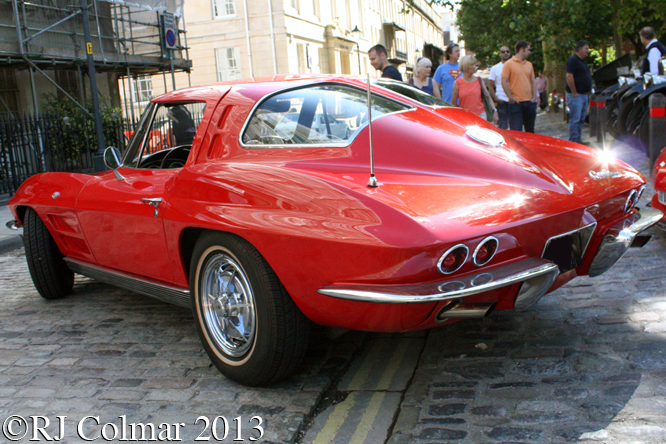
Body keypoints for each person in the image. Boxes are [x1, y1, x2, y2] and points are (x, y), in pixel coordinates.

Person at [501, 40, 537, 132]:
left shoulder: (529, 64)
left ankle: (530, 147)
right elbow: (504, 81)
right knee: (516, 131)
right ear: (522, 49)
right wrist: (510, 97)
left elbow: (533, 81)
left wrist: (534, 98)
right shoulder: (508, 64)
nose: (529, 52)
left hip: (529, 102)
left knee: (530, 131)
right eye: (528, 50)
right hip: (516, 103)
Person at [451, 55, 498, 123]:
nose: (474, 67)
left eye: (475, 65)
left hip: (481, 115)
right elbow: (453, 103)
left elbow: (488, 97)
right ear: (465, 66)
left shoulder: (479, 80)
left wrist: (495, 111)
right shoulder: (457, 83)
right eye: (472, 65)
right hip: (465, 117)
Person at [565, 40, 592, 144]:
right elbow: (569, 76)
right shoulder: (573, 60)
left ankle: (578, 139)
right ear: (579, 49)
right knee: (575, 119)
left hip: (583, 94)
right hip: (576, 95)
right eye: (586, 48)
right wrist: (574, 92)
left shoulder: (582, 61)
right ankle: (573, 141)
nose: (587, 51)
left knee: (581, 119)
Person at [488, 45, 511, 129]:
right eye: (503, 52)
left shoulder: (515, 66)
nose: (505, 53)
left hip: (514, 99)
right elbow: (490, 86)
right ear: (500, 54)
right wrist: (496, 99)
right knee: (503, 126)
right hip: (502, 100)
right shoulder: (495, 68)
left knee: (515, 126)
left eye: (507, 51)